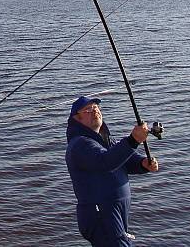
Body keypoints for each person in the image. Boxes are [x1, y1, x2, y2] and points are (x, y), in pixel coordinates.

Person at [65, 95, 159, 247]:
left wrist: (143, 163)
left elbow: (125, 161)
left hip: (113, 213)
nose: (95, 111)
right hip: (100, 214)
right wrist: (133, 140)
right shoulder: (80, 145)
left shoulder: (104, 140)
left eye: (96, 107)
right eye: (88, 109)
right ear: (77, 119)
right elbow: (105, 162)